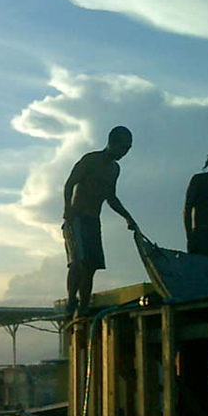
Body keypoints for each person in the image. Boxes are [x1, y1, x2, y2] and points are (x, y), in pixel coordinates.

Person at [63, 126, 139, 315]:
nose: (124, 153)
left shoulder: (114, 169)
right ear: (111, 143)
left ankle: (83, 306)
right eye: (122, 148)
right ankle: (71, 301)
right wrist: (68, 208)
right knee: (78, 263)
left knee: (91, 267)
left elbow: (111, 198)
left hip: (93, 221)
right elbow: (70, 184)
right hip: (77, 218)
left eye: (128, 149)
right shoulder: (91, 160)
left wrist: (128, 218)